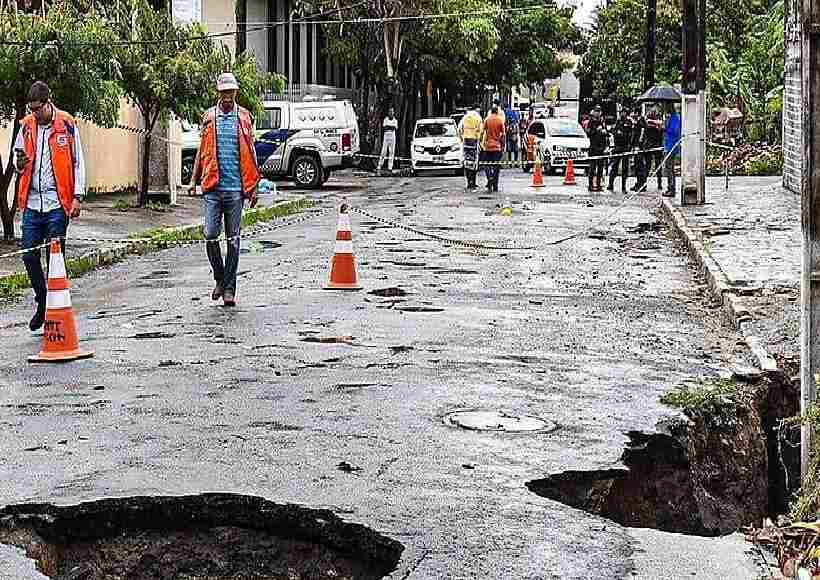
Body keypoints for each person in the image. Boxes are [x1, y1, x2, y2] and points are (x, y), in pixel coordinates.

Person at [13, 81, 85, 332]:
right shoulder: (26, 127)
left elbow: (78, 163)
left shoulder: (66, 123)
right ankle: (42, 300)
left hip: (57, 203)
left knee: (55, 258)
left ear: (48, 102)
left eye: (38, 108)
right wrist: (19, 163)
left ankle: (56, 311)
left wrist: (77, 196)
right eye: (31, 109)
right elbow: (18, 162)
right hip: (32, 203)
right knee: (28, 254)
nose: (34, 113)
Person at [189, 72, 260, 307]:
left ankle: (229, 289)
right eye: (223, 92)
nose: (227, 96)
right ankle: (220, 278)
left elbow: (251, 152)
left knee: (234, 241)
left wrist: (254, 186)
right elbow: (202, 150)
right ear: (218, 93)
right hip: (212, 187)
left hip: (236, 190)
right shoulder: (209, 117)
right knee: (210, 235)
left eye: (231, 92)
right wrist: (192, 180)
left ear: (235, 92)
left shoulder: (245, 117)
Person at [607, 108, 633, 193]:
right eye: (622, 112)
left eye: (624, 113)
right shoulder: (618, 122)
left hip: (625, 147)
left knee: (625, 168)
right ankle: (610, 184)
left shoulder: (629, 122)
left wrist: (630, 145)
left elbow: (630, 134)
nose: (622, 114)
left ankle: (623, 186)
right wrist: (617, 133)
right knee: (614, 166)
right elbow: (613, 131)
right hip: (617, 147)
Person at [458, 105, 483, 189]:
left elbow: (459, 129)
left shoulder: (465, 118)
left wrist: (462, 138)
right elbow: (481, 130)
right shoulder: (478, 118)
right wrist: (480, 140)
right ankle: (473, 181)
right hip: (474, 141)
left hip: (466, 141)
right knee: (474, 162)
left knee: (467, 161)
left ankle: (469, 182)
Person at [481, 105, 505, 192]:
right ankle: (495, 185)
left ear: (491, 112)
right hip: (497, 146)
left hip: (488, 146)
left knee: (487, 165)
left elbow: (482, 132)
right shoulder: (500, 120)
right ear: (497, 112)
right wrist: (503, 145)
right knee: (496, 167)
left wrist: (482, 143)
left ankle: (489, 178)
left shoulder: (487, 120)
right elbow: (503, 134)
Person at [585, 106, 608, 192]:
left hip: (601, 148)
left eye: (599, 111)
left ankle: (598, 185)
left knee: (600, 168)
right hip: (593, 148)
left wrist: (605, 132)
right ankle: (590, 185)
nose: (598, 113)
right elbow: (588, 133)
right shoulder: (591, 122)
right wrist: (596, 130)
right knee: (592, 168)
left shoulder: (602, 121)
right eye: (596, 111)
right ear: (594, 112)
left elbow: (606, 133)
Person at [643, 108, 665, 192]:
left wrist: (656, 125)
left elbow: (661, 127)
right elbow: (647, 124)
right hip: (650, 146)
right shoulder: (648, 123)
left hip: (657, 146)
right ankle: (645, 183)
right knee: (648, 166)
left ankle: (659, 184)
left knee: (658, 166)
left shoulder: (657, 123)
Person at [663, 104, 682, 197]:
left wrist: (665, 127)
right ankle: (670, 187)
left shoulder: (675, 118)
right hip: (668, 145)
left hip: (672, 146)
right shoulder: (671, 118)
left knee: (669, 168)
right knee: (668, 168)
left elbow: (674, 131)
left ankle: (671, 188)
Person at [630, 107, 648, 191]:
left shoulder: (641, 122)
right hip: (636, 147)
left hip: (639, 148)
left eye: (633, 112)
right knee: (637, 166)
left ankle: (642, 184)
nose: (632, 114)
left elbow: (641, 134)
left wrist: (639, 145)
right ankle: (638, 183)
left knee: (640, 166)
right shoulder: (638, 122)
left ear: (637, 113)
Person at [377, 107, 398, 174]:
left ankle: (390, 167)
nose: (391, 113)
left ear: (393, 112)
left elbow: (394, 128)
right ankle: (379, 166)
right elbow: (385, 128)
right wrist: (390, 127)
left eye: (392, 111)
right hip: (386, 138)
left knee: (391, 152)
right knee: (383, 152)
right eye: (390, 111)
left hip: (392, 138)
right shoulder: (385, 119)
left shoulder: (395, 120)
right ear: (388, 112)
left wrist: (389, 127)